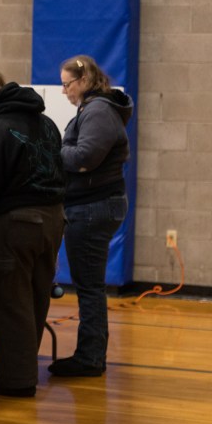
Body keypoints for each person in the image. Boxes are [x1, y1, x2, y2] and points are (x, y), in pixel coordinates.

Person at [0, 70, 66, 397]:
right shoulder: (47, 123)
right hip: (53, 220)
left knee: (8, 303)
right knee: (35, 300)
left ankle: (15, 381)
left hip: (15, 225)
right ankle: (23, 373)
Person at [49, 55, 132, 378]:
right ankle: (91, 355)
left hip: (93, 207)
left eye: (66, 84)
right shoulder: (96, 108)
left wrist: (54, 149)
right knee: (90, 285)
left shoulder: (98, 110)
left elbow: (85, 157)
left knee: (89, 287)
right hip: (95, 205)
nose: (64, 91)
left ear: (83, 81)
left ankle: (90, 357)